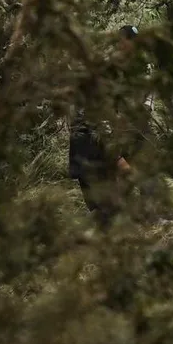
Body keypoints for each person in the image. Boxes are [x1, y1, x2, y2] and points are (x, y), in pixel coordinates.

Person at [68, 24, 142, 227]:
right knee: (107, 209)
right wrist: (118, 158)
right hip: (89, 146)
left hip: (92, 145)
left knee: (106, 209)